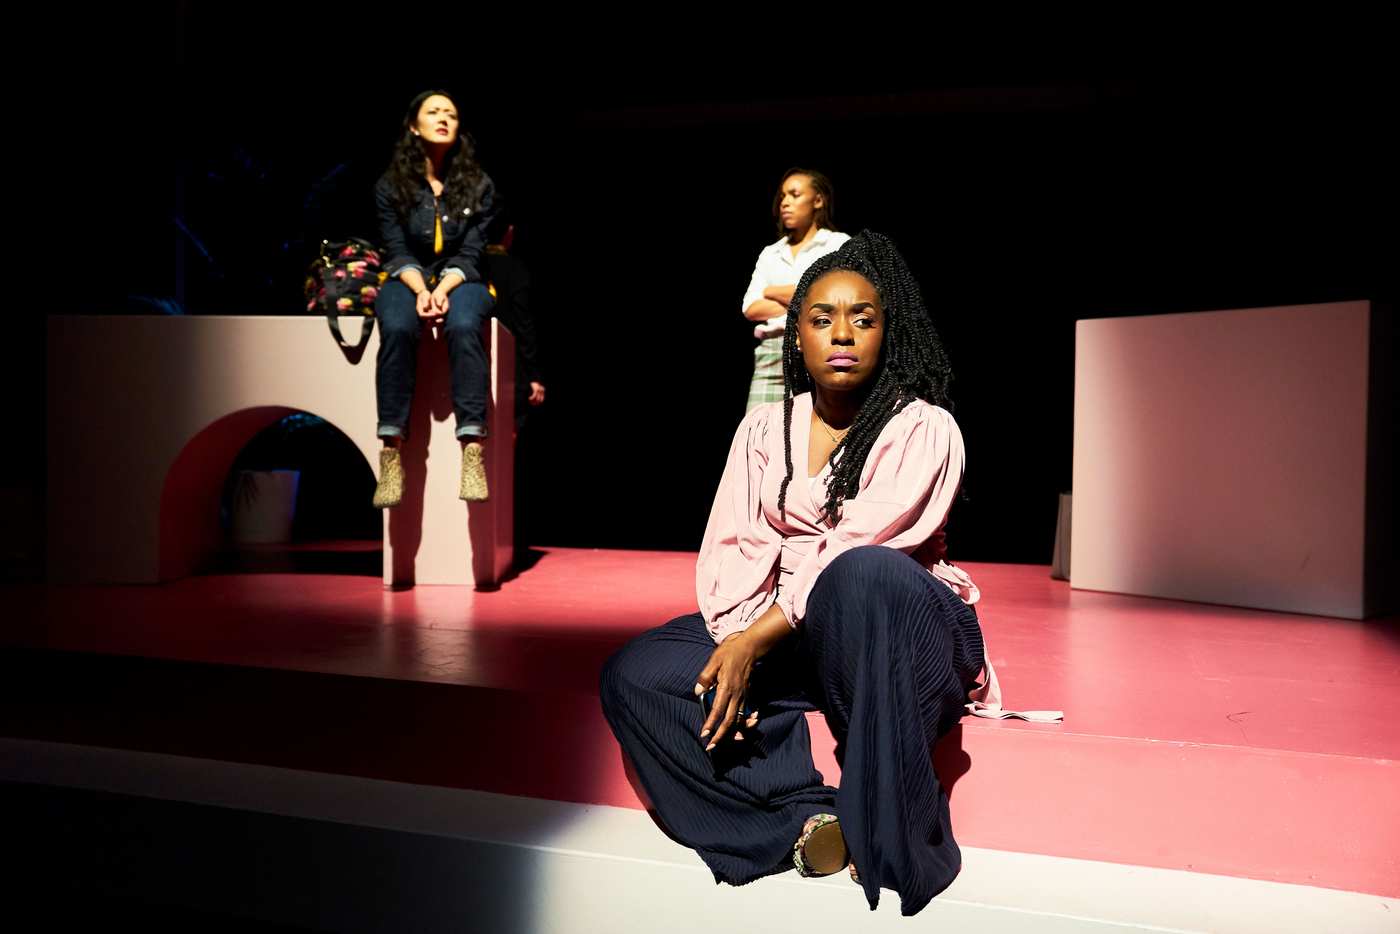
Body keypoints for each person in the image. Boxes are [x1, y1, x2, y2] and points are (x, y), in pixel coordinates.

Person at [601, 231, 1058, 916]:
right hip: (796, 637)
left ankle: (898, 828)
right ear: (798, 335)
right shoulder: (763, 429)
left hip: (899, 631)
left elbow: (852, 545)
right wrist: (736, 644)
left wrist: (755, 643)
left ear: (886, 332)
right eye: (822, 318)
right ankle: (802, 818)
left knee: (862, 574)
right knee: (638, 673)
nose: (842, 333)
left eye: (862, 319)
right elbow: (733, 548)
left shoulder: (923, 428)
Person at [371, 89, 498, 508]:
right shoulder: (391, 185)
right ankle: (391, 452)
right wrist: (421, 290)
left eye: (451, 114)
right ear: (414, 125)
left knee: (463, 324)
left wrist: (441, 289)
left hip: (462, 278)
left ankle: (472, 449)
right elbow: (395, 249)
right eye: (433, 112)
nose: (443, 118)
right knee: (397, 325)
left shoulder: (479, 185)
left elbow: (472, 251)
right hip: (408, 276)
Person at [740, 168, 849, 412]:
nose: (785, 202)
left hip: (817, 347)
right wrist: (805, 296)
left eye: (794, 194)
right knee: (757, 426)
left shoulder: (838, 244)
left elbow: (832, 299)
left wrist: (771, 291)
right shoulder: (771, 253)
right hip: (771, 352)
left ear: (818, 200)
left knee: (810, 427)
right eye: (782, 196)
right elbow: (750, 308)